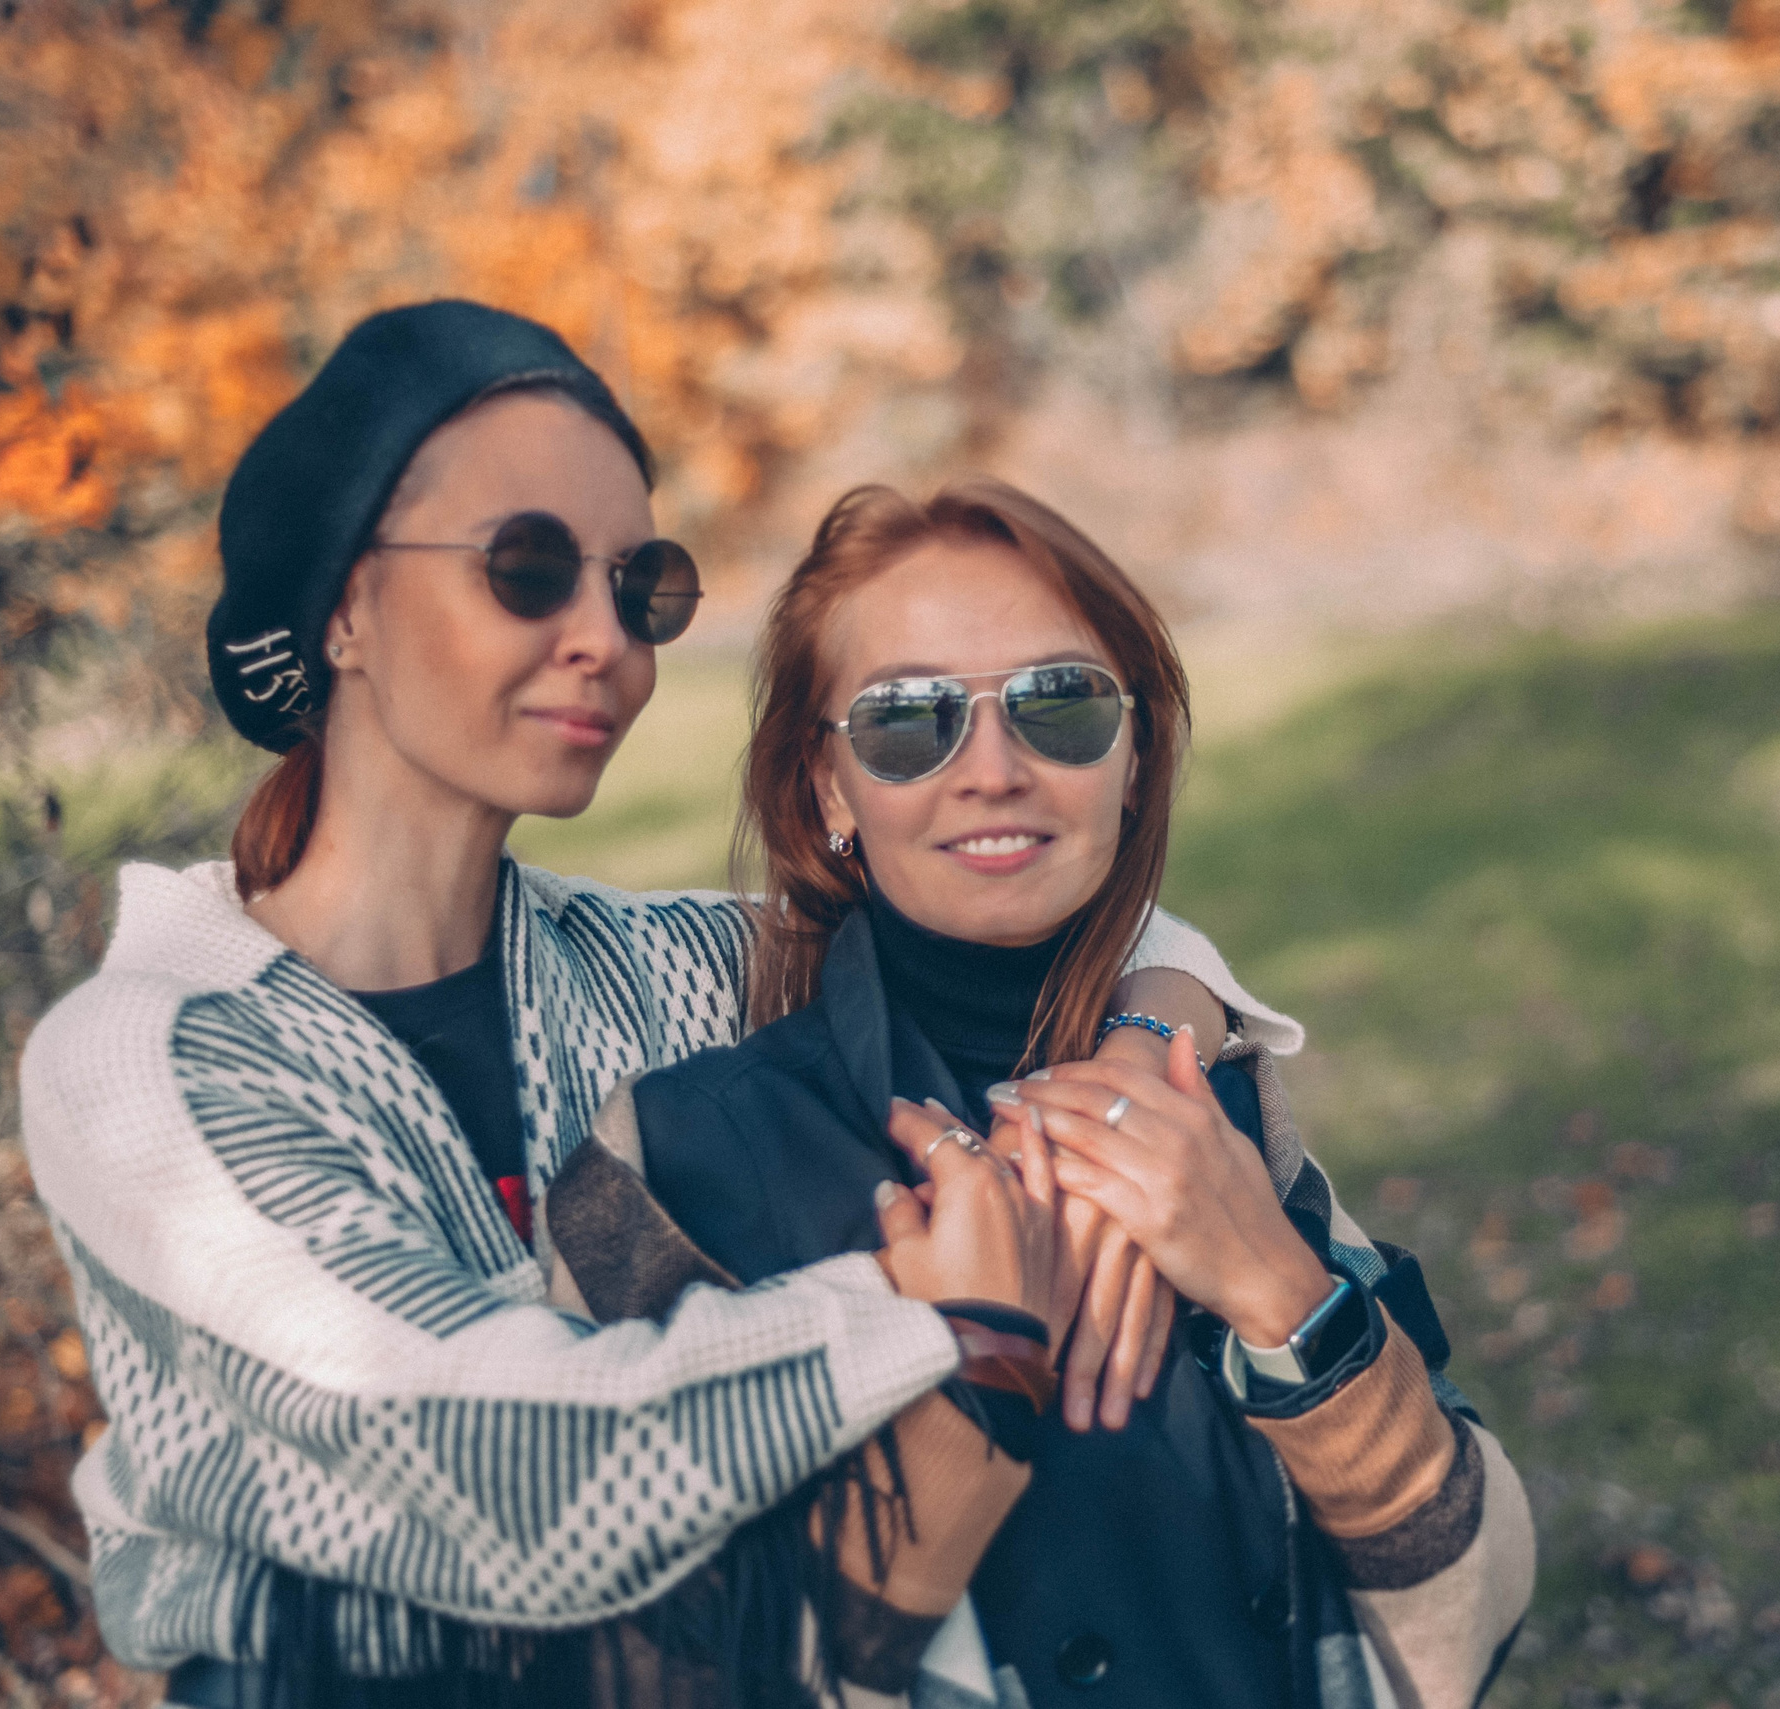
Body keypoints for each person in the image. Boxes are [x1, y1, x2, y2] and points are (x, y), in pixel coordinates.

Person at [18, 301, 1296, 1707]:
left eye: (640, 588)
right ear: (343, 608)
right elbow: (505, 1474)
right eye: (525, 568)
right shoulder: (149, 1061)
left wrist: (1143, 1051)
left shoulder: (661, 969)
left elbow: (997, 891)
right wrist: (928, 1311)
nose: (603, 640)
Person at [578, 480, 1535, 1709]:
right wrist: (971, 1380)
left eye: (1059, 703)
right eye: (907, 720)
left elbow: (1474, 1604)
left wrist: (1282, 1292)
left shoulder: (1211, 1105)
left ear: (1134, 758)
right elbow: (639, 1672)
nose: (993, 770)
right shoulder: (676, 1155)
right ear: (829, 787)